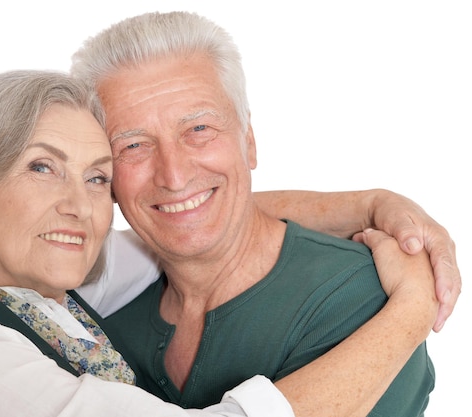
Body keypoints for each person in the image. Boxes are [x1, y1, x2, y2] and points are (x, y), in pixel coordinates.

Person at [0, 70, 436, 417]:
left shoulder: (44, 288)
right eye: (41, 167)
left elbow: (184, 215)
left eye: (97, 176)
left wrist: (369, 204)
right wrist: (412, 311)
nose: (80, 206)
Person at [69, 11, 450, 416]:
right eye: (133, 146)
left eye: (198, 129)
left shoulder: (358, 299)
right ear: (104, 175)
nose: (174, 176)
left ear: (248, 141)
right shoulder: (92, 303)